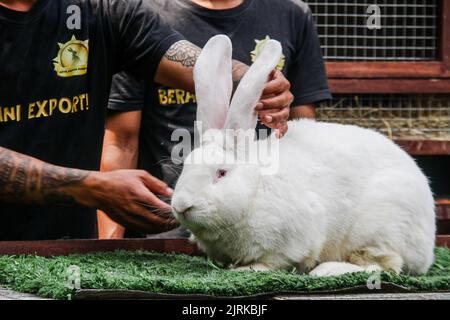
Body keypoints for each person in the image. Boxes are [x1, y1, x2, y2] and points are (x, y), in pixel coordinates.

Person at [0, 0, 292, 240]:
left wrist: (254, 82)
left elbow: (194, 63)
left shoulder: (101, 9)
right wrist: (90, 187)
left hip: (67, 249)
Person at [98, 0, 331, 239]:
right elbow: (121, 142)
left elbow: (303, 132)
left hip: (263, 230)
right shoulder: (145, 15)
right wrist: (107, 244)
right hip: (170, 227)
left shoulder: (290, 13)